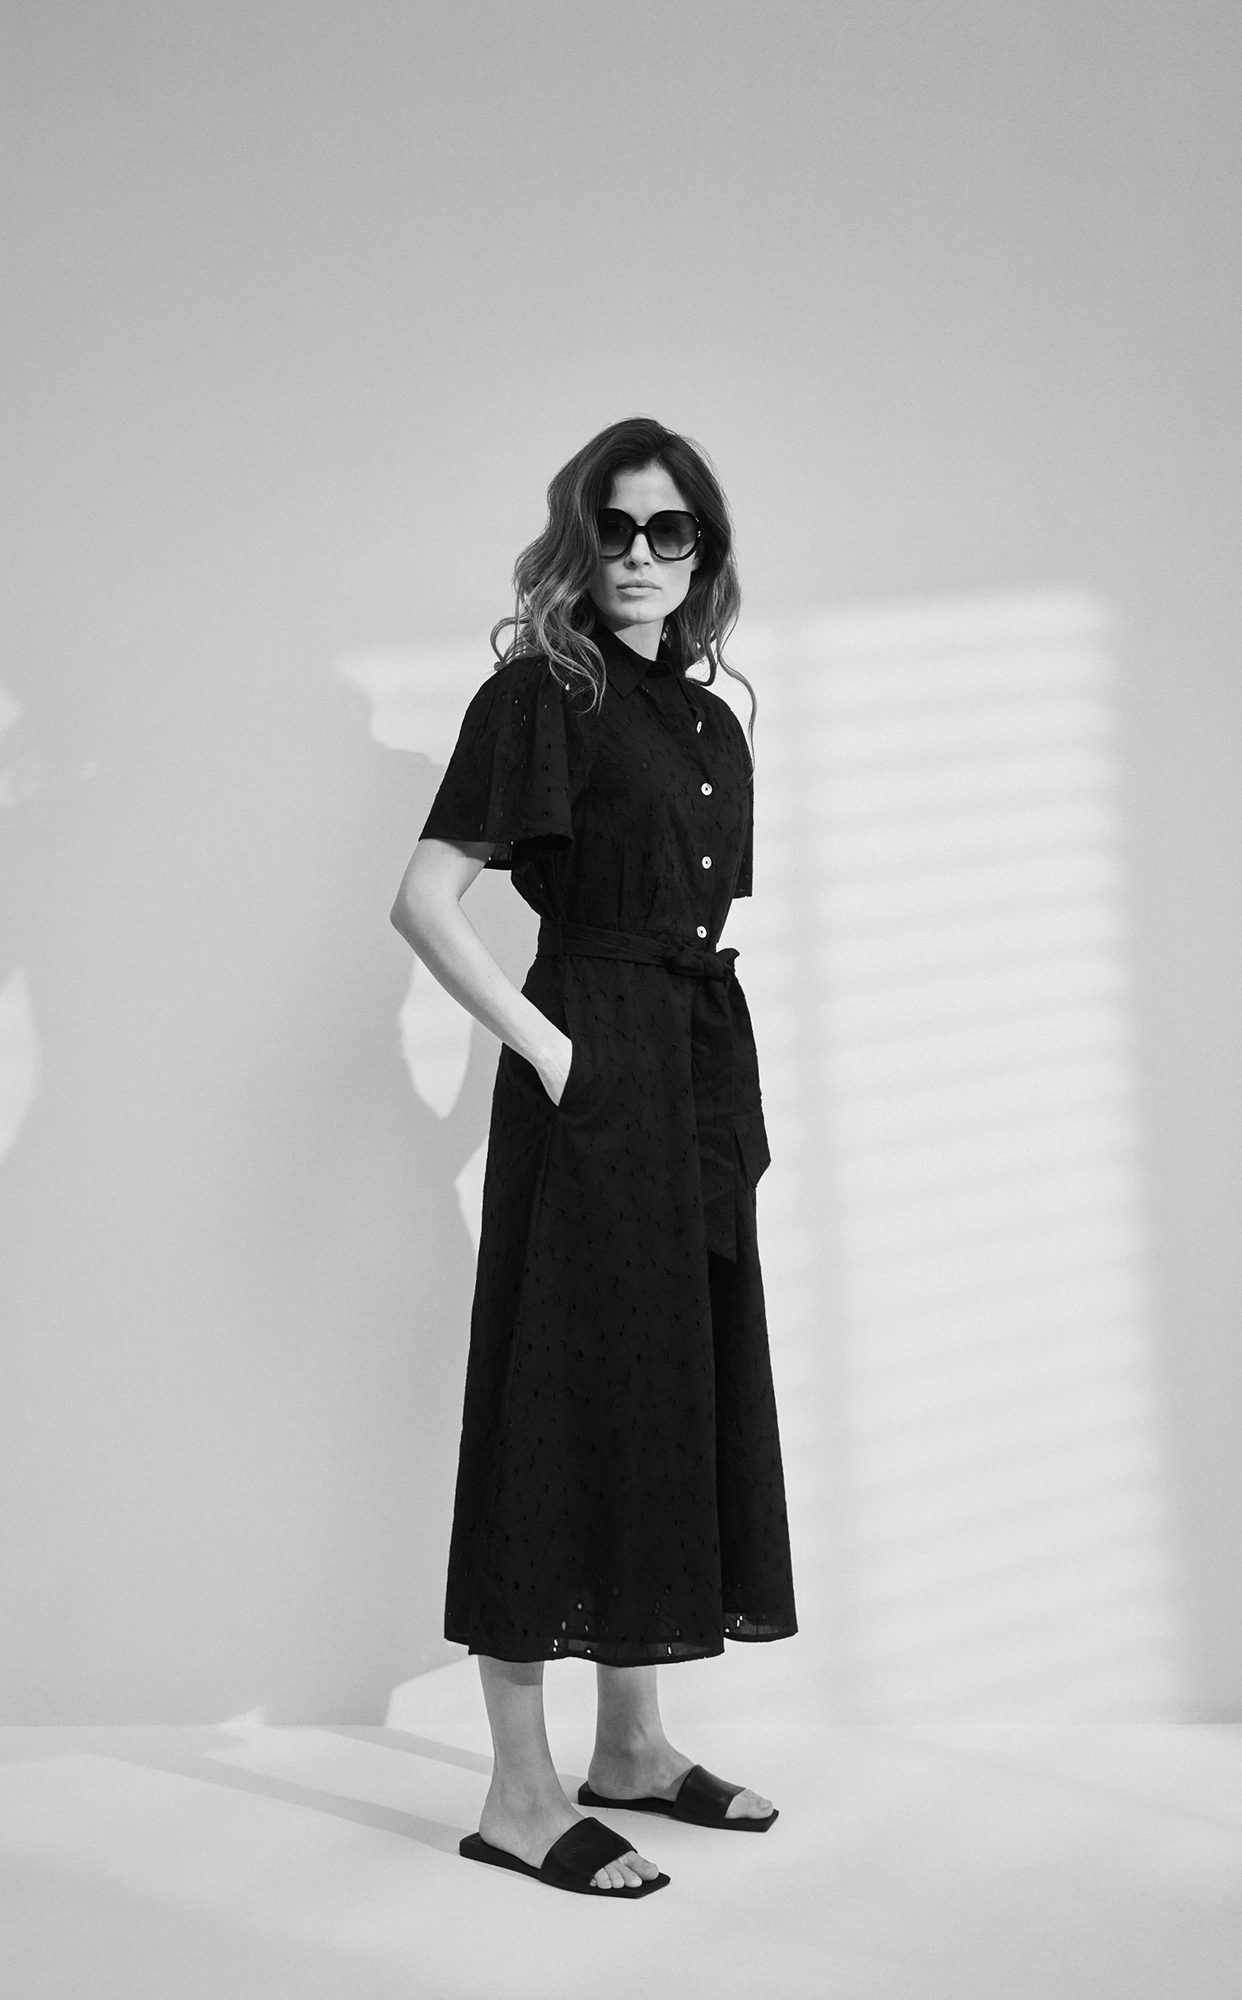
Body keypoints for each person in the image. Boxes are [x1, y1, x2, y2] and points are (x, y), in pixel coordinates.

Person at [390, 416, 796, 1899]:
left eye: (666, 531)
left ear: (702, 552)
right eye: (611, 528)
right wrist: (553, 1052)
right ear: (578, 540)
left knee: (666, 1386)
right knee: (555, 1396)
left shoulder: (708, 720)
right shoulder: (540, 694)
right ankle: (517, 1792)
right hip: (594, 1064)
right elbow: (425, 899)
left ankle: (632, 1747)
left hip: (689, 1069)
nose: (636, 555)